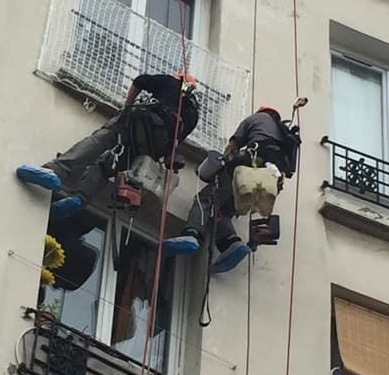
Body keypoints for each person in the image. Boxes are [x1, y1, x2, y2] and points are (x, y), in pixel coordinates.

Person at [16, 72, 199, 219]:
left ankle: (56, 171)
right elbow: (176, 140)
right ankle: (79, 198)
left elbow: (139, 81)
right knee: (106, 166)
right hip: (148, 149)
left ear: (179, 79)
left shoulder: (169, 82)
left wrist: (127, 106)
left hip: (137, 123)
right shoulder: (193, 115)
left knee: (99, 141)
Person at [163, 104, 302, 273]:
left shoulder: (255, 119)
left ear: (261, 111)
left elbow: (232, 146)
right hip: (269, 181)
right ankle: (231, 243)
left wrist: (223, 165)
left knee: (204, 198)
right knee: (223, 211)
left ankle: (192, 234)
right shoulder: (283, 134)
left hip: (248, 169)